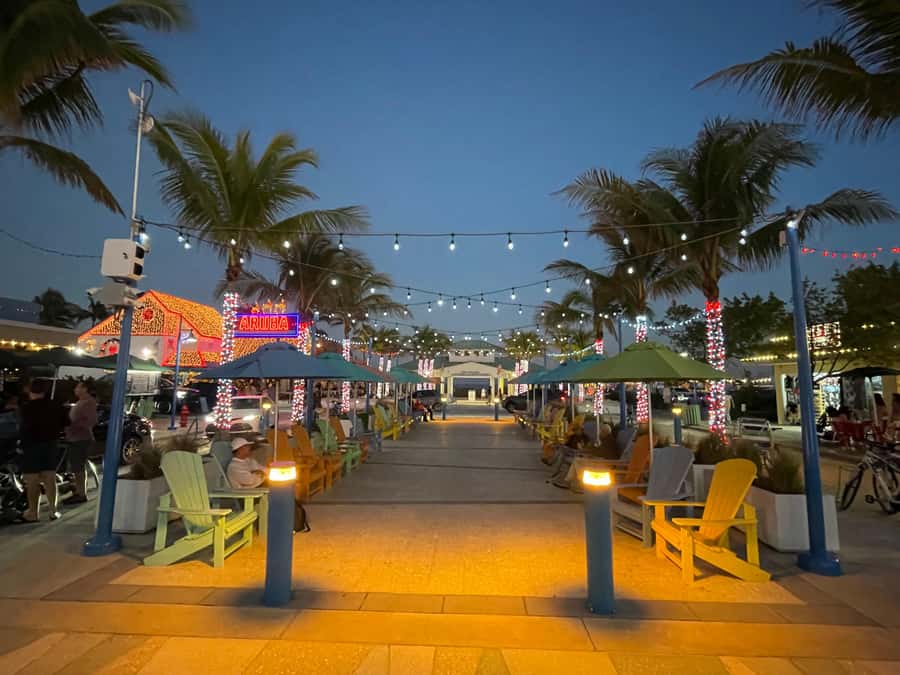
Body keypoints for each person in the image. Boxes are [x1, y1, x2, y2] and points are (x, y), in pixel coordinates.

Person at [19, 380, 67, 521]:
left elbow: (23, 429)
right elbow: (66, 422)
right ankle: (53, 510)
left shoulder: (26, 408)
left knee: (32, 480)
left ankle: (33, 512)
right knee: (49, 477)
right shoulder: (55, 405)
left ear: (30, 392)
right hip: (50, 444)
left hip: (31, 446)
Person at [63, 381, 97, 505]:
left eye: (77, 387)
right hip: (74, 438)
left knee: (78, 467)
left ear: (85, 388)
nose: (75, 389)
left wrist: (74, 426)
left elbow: (91, 421)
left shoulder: (88, 402)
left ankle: (81, 493)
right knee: (76, 466)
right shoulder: (80, 402)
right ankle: (78, 490)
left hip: (81, 439)